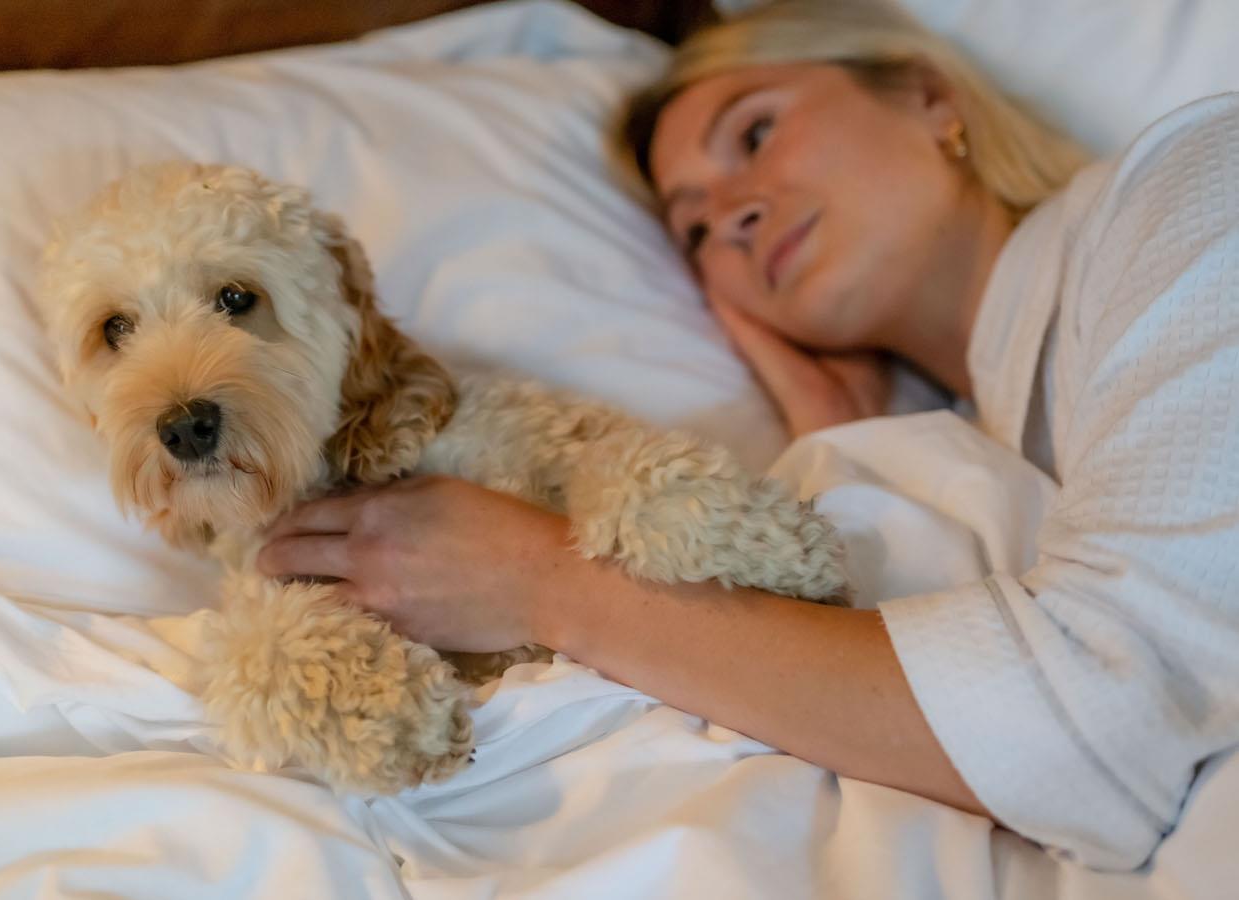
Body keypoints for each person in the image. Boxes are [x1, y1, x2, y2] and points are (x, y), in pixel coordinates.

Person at [258, 0, 1239, 870]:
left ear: (930, 98)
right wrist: (860, 453)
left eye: (757, 134)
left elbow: (1108, 725)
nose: (732, 214)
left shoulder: (1189, 188)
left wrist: (543, 577)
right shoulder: (984, 435)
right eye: (693, 231)